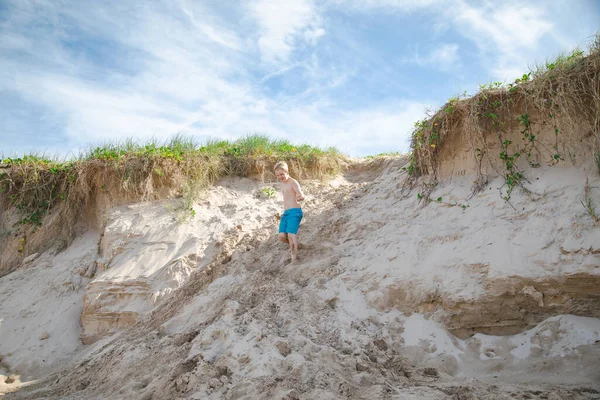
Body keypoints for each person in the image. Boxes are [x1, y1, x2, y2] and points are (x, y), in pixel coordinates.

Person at [274, 161, 305, 262]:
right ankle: (296, 245)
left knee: (291, 235)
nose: (280, 177)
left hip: (295, 211)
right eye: (278, 175)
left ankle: (294, 260)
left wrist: (300, 197)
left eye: (282, 174)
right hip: (286, 213)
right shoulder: (282, 184)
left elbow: (300, 193)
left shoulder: (293, 182)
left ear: (287, 172)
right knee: (281, 237)